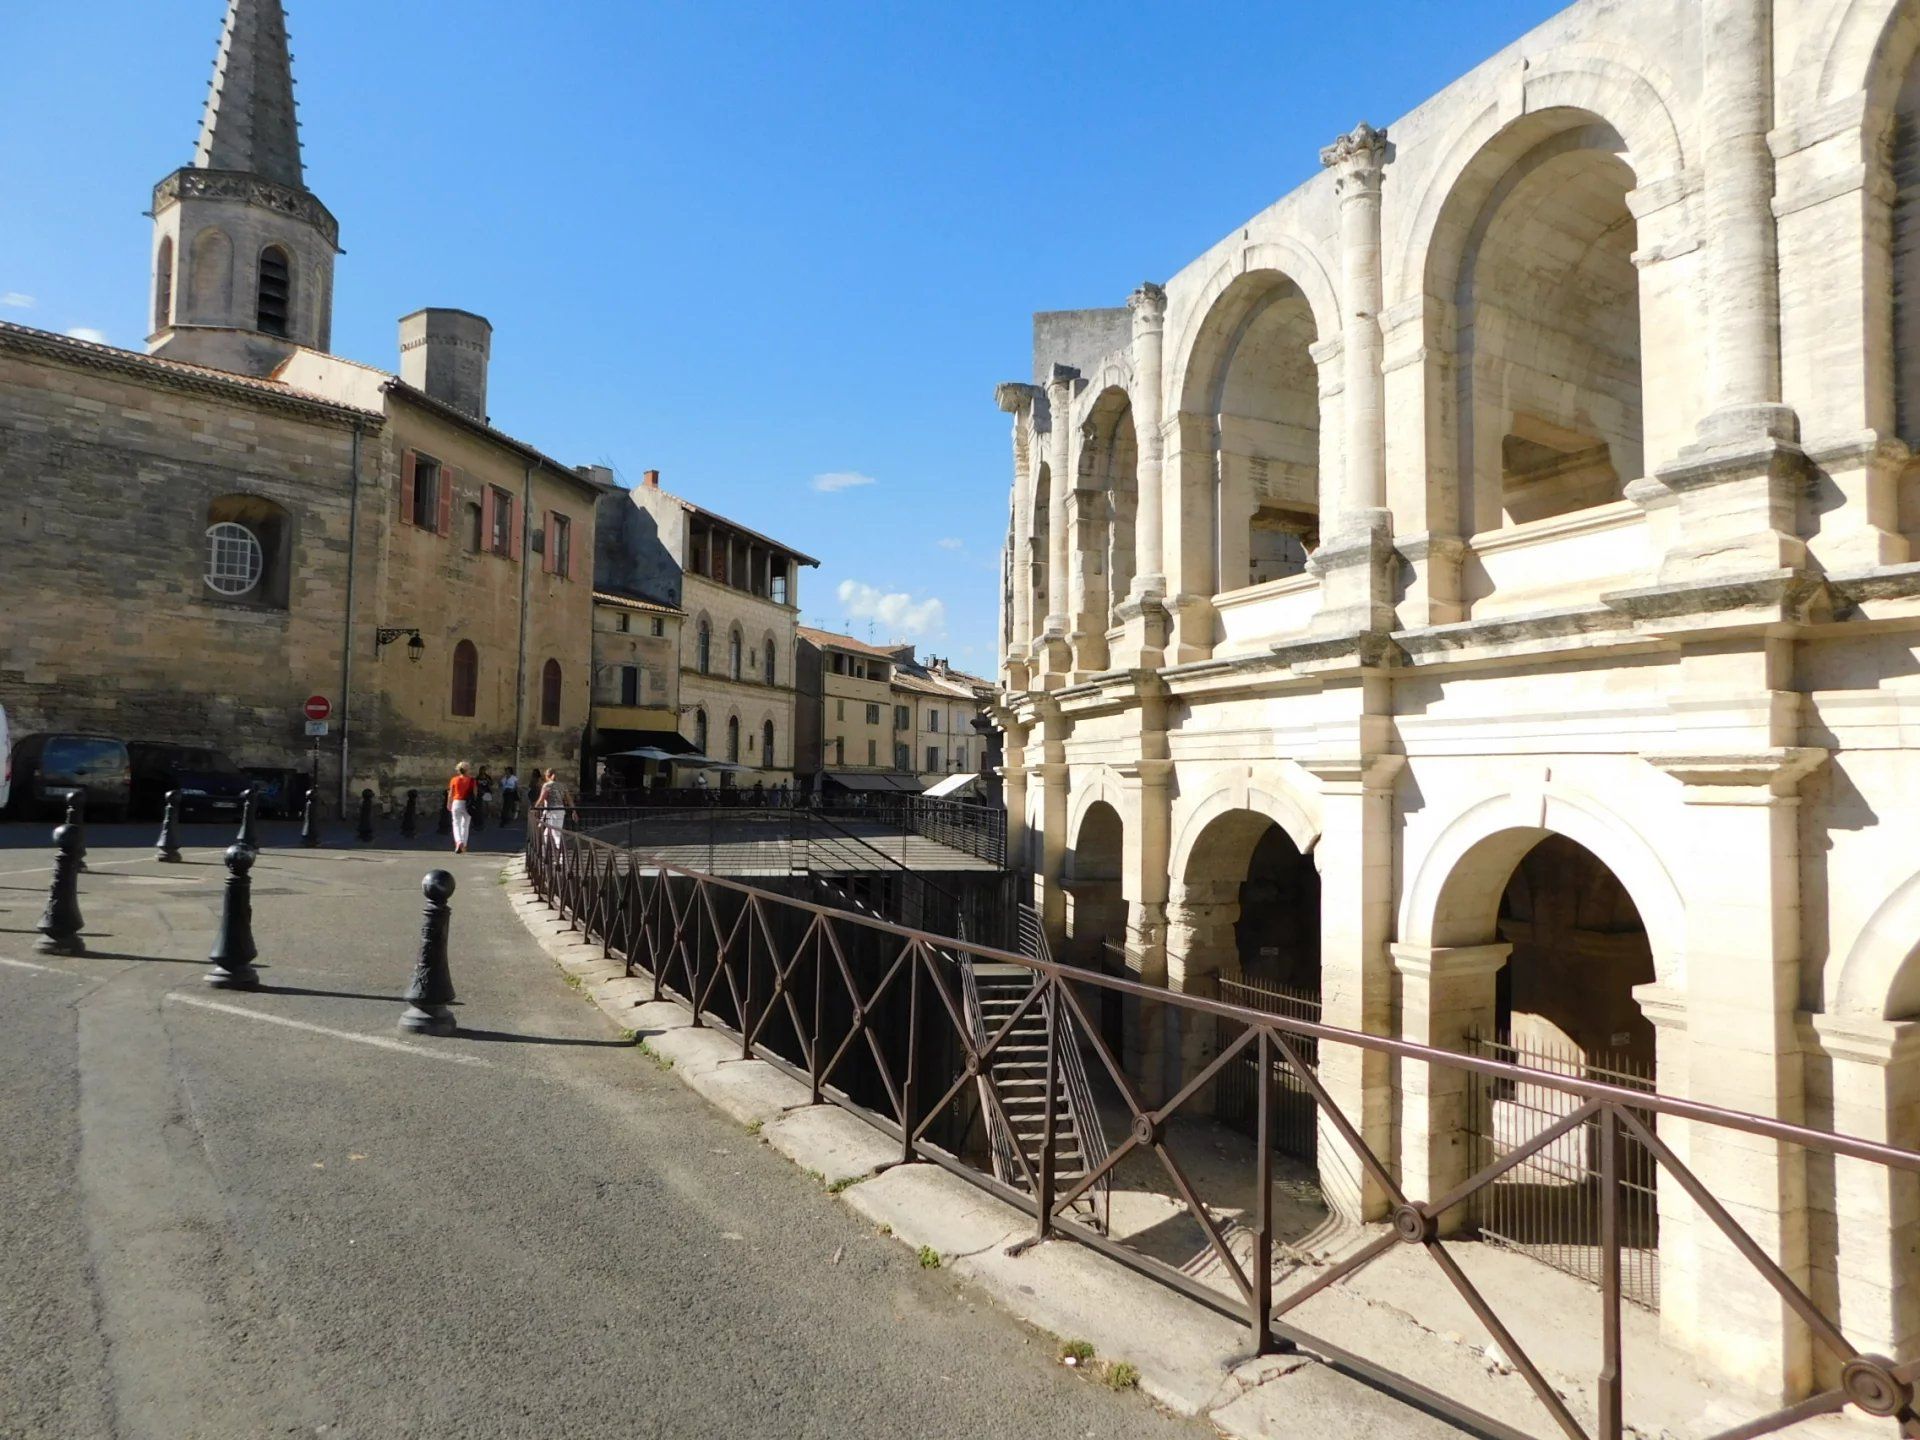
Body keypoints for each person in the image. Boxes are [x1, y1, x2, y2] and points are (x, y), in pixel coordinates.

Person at [535, 768, 569, 853]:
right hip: (560, 810)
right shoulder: (562, 785)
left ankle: (561, 856)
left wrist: (535, 807)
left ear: (547, 776)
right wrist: (574, 811)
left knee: (556, 833)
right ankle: (545, 854)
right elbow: (569, 799)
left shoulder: (547, 785)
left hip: (552, 810)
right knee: (547, 833)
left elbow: (541, 799)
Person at [447, 761, 476, 854]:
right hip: (467, 803)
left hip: (456, 802)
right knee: (465, 825)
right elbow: (475, 793)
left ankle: (458, 842)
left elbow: (450, 794)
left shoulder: (454, 780)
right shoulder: (472, 780)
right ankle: (464, 844)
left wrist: (449, 803)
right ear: (467, 770)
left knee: (456, 824)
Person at [473, 765, 493, 833]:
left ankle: (489, 814)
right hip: (480, 792)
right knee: (481, 804)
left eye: (484, 770)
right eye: (481, 770)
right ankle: (482, 814)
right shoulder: (477, 777)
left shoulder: (487, 777)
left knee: (488, 804)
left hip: (487, 791)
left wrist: (488, 781)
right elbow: (475, 785)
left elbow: (491, 783)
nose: (482, 771)